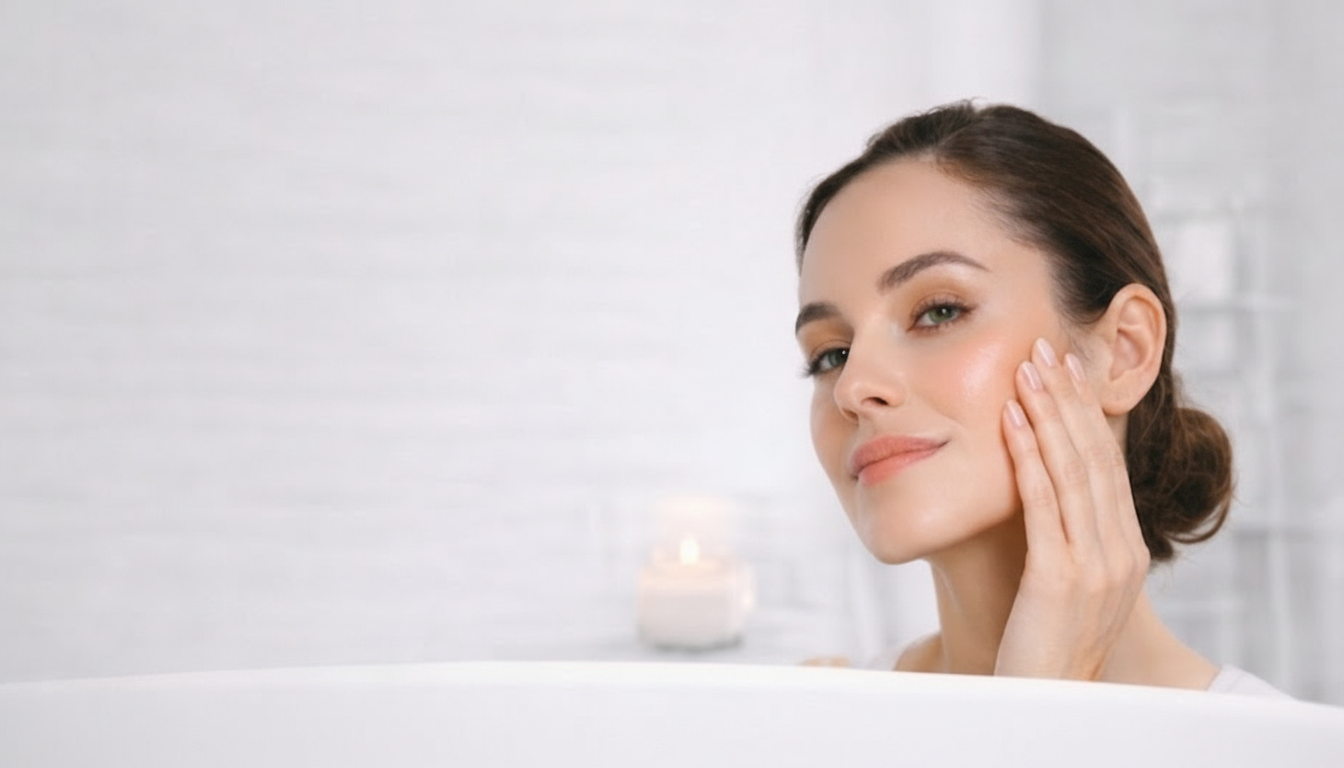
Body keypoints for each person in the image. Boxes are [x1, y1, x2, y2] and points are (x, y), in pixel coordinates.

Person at [793, 101, 1285, 697]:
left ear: (1124, 350)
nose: (851, 387)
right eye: (831, 354)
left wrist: (1046, 706)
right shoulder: (822, 721)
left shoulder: (1270, 749)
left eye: (938, 311)